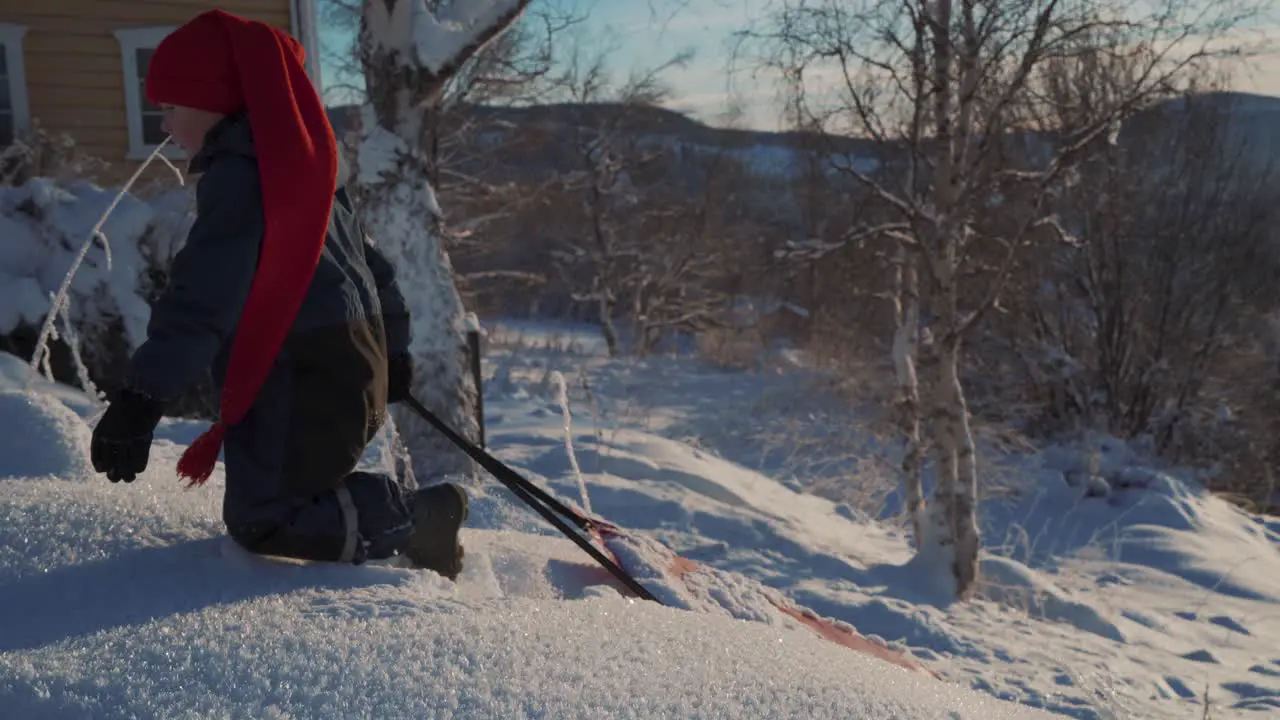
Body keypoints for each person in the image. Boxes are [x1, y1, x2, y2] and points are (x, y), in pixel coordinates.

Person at [87, 9, 468, 578]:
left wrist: (143, 397)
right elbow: (371, 268)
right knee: (288, 486)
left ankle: (418, 521)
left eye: (168, 108)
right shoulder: (300, 167)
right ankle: (398, 516)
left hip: (306, 371)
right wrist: (391, 350)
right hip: (339, 360)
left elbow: (203, 295)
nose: (164, 126)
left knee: (264, 517)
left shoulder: (242, 178)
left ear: (214, 103)